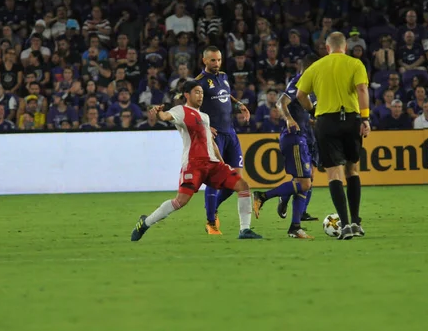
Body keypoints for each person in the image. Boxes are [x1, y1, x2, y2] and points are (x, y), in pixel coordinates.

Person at [130, 81, 262, 241]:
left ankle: (245, 230)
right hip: (194, 164)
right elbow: (166, 116)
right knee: (180, 201)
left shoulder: (204, 117)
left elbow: (210, 142)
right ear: (187, 94)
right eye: (197, 92)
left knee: (243, 186)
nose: (200, 96)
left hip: (213, 164)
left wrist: (222, 162)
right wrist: (159, 113)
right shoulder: (181, 111)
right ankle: (145, 223)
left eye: (202, 93)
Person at [295, 32, 370, 240]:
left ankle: (344, 226)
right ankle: (355, 222)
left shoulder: (316, 67)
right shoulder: (355, 64)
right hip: (352, 120)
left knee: (333, 174)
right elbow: (362, 90)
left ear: (327, 48)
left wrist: (311, 111)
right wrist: (365, 119)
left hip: (326, 122)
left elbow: (300, 95)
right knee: (352, 171)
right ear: (344, 47)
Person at [252, 55, 320, 239]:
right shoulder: (299, 81)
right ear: (308, 69)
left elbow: (302, 111)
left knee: (304, 183)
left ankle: (295, 227)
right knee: (304, 183)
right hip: (294, 137)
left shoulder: (310, 87)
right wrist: (289, 119)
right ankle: (263, 196)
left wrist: (310, 122)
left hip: (304, 137)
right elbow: (281, 102)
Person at [195, 46, 251, 234]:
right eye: (213, 60)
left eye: (219, 60)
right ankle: (211, 222)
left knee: (237, 180)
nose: (217, 63)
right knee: (213, 180)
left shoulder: (224, 77)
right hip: (215, 136)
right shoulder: (199, 83)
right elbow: (189, 108)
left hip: (231, 134)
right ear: (204, 61)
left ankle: (214, 207)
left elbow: (226, 95)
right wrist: (205, 127)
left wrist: (239, 104)